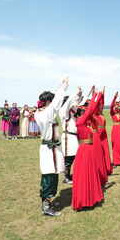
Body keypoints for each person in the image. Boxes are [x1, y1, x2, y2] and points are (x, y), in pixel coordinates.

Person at [34, 78, 68, 216]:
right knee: (49, 177)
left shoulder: (42, 113)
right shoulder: (44, 114)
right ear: (48, 102)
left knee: (52, 175)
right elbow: (56, 102)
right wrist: (63, 86)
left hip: (53, 149)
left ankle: (49, 201)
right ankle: (46, 205)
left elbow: (55, 105)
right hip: (49, 150)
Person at [72, 91, 105, 211]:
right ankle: (83, 200)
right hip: (85, 151)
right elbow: (91, 110)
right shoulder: (80, 122)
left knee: (91, 174)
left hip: (89, 150)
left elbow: (92, 112)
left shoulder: (86, 123)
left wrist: (97, 98)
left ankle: (91, 198)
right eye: (84, 112)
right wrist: (96, 97)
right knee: (84, 175)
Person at [58, 87, 84, 184]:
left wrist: (79, 95)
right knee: (69, 157)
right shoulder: (63, 112)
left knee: (75, 156)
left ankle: (73, 174)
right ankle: (67, 177)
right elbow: (70, 102)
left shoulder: (71, 112)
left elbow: (78, 103)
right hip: (68, 137)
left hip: (73, 137)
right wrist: (76, 93)